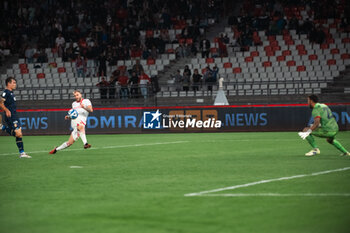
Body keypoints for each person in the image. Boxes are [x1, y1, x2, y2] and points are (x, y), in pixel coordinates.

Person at [0, 77, 31, 158]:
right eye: (13, 82)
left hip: (15, 115)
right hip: (10, 116)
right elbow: (1, 104)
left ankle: (22, 153)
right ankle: (3, 127)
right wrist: (6, 110)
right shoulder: (5, 92)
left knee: (19, 135)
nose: (15, 84)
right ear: (8, 83)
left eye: (15, 82)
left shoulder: (11, 93)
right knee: (18, 134)